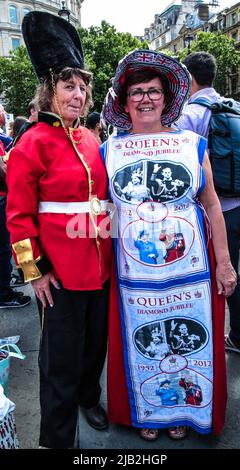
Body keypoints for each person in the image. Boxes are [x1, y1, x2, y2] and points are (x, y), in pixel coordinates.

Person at [101, 49, 236, 442]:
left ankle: (183, 412)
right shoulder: (110, 149)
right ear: (124, 102)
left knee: (186, 341)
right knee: (144, 341)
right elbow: (100, 212)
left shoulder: (192, 143)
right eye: (137, 92)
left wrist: (225, 263)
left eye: (153, 91)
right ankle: (149, 414)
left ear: (167, 97)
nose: (145, 98)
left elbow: (211, 204)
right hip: (133, 277)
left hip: (190, 272)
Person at [6, 11, 112, 449]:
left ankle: (91, 397)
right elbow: (17, 219)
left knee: (93, 349)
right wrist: (36, 274)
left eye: (83, 86)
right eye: (69, 85)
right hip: (60, 275)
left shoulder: (89, 137)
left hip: (102, 268)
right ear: (49, 90)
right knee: (59, 364)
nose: (79, 93)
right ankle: (56, 439)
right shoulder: (31, 142)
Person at [176, 52, 240, 355]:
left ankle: (229, 334)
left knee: (221, 271)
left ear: (188, 79)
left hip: (217, 211)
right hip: (238, 201)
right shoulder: (232, 107)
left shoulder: (190, 115)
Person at [0, 106, 31, 307]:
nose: (3, 114)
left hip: (7, 197)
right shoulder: (28, 142)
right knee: (8, 245)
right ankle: (23, 277)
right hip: (5, 198)